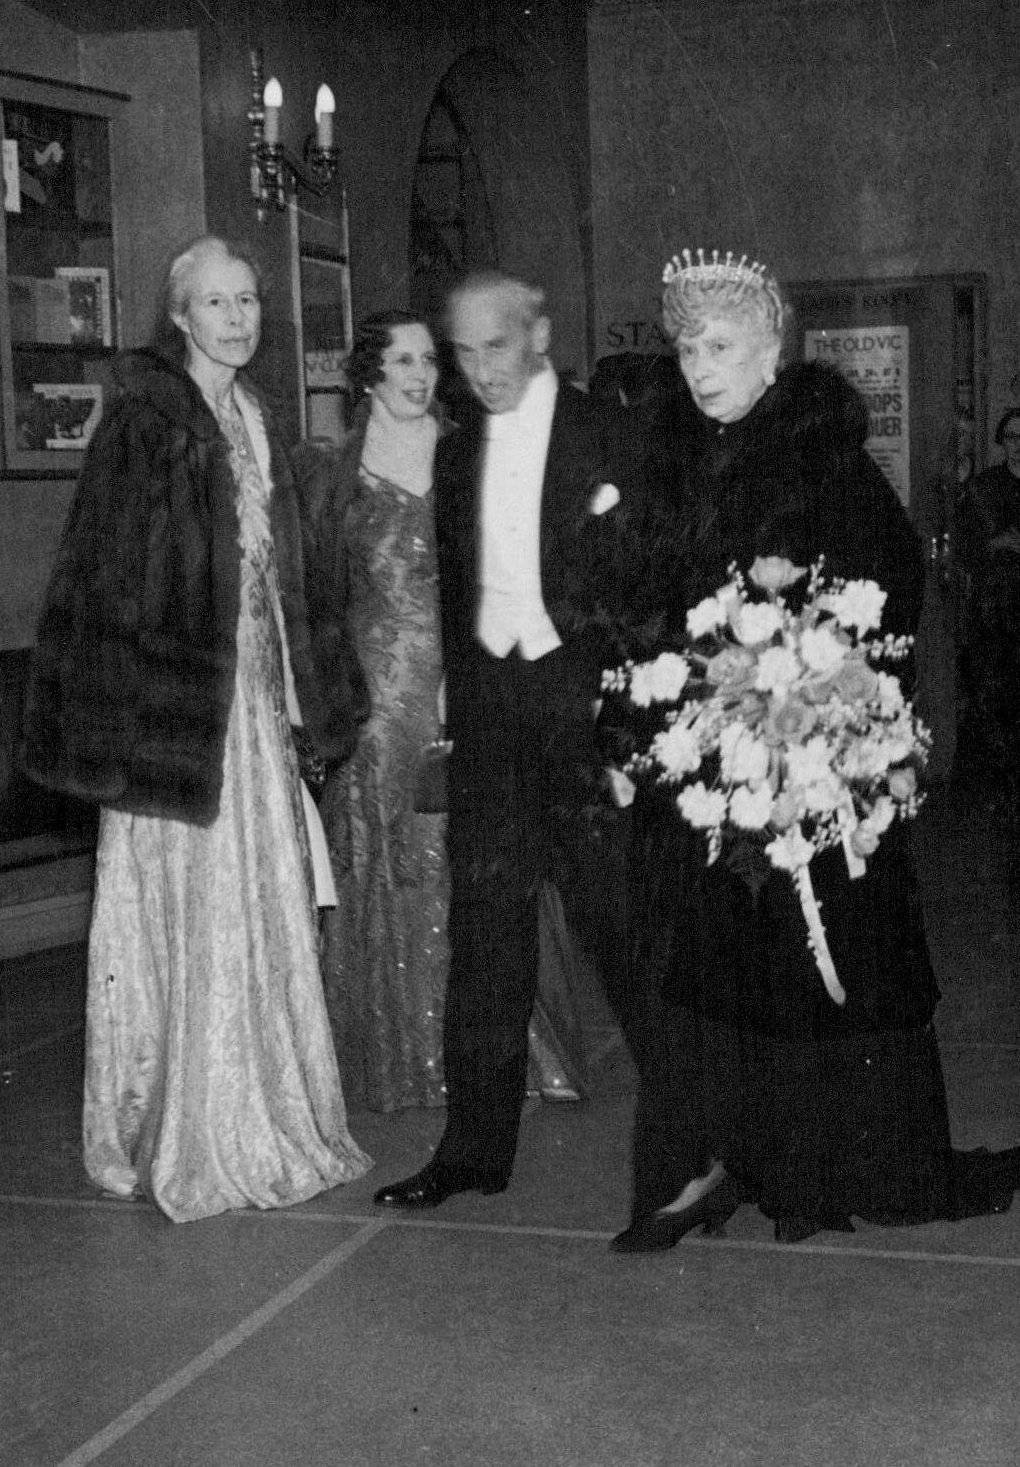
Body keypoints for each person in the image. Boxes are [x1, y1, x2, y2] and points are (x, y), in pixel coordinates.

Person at [610, 247, 1020, 1251]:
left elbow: (887, 597)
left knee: (817, 956)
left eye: (719, 346)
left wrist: (809, 674)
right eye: (686, 347)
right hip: (708, 756)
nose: (700, 366)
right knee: (718, 964)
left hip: (813, 758)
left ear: (769, 350)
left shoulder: (824, 457)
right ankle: (728, 1165)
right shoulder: (665, 460)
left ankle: (824, 1171)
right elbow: (642, 603)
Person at [19, 234, 371, 1222]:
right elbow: (102, 571)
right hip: (174, 720)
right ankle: (186, 1126)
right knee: (185, 913)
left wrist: (310, 681)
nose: (237, 319)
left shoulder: (257, 415)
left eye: (248, 302)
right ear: (180, 315)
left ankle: (262, 1112)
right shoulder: (146, 417)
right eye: (216, 303)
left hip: (252, 710)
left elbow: (289, 577)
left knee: (262, 904)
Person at [372, 271, 640, 1209]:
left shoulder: (614, 434)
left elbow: (645, 597)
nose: (480, 370)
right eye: (465, 351)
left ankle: (703, 1143)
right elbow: (457, 594)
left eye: (497, 346)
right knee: (485, 946)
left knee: (628, 937)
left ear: (541, 334)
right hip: (490, 729)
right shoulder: (455, 456)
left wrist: (626, 729)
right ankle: (470, 1154)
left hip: (583, 730)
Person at [307, 310, 588, 1111]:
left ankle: (506, 1054)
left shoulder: (473, 452)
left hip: (470, 673)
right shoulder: (331, 468)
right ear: (368, 373)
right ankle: (394, 1055)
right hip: (373, 695)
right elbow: (318, 594)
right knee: (384, 857)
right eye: (400, 360)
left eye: (428, 358)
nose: (419, 373)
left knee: (469, 857)